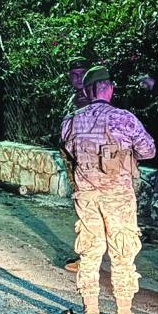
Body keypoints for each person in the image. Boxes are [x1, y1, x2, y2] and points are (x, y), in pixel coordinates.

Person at [60, 65, 156, 314]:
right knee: (122, 252)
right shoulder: (123, 118)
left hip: (87, 195)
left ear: (88, 90)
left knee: (89, 253)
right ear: (109, 89)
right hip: (118, 197)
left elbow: (68, 149)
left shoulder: (71, 120)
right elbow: (148, 150)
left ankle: (91, 313)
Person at [63, 57, 91, 272]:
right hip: (78, 162)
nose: (78, 78)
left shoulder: (91, 99)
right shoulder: (76, 98)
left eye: (82, 73)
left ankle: (88, 258)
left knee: (89, 211)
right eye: (74, 74)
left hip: (90, 165)